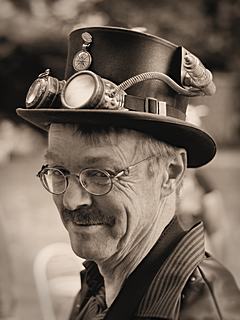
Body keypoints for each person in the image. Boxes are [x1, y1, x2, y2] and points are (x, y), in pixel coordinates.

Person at [17, 26, 240, 319]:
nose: (71, 201)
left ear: (171, 173)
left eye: (99, 174)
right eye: (58, 170)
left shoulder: (204, 312)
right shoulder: (99, 284)